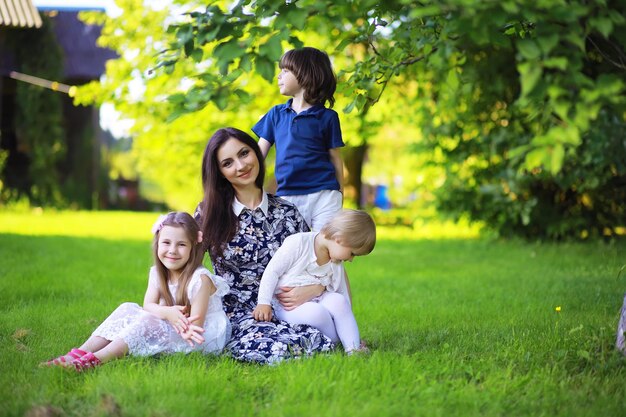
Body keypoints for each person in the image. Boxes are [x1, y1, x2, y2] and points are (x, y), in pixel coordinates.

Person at [194, 127, 337, 364]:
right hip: (239, 312)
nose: (241, 166)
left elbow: (319, 262)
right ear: (219, 172)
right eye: (228, 163)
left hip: (288, 306)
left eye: (244, 153)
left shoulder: (287, 211)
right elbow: (187, 267)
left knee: (315, 339)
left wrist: (316, 289)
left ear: (256, 153)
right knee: (278, 348)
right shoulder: (209, 213)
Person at [41, 212, 230, 371]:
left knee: (148, 320)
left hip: (200, 335)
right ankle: (78, 353)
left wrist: (165, 317)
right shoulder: (157, 273)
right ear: (158, 244)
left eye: (181, 245)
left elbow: (195, 325)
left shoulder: (200, 279)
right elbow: (148, 305)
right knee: (127, 308)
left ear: (193, 247)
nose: (172, 250)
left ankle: (93, 360)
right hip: (177, 324)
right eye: (166, 243)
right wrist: (167, 313)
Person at [252, 209, 376, 354]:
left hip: (318, 298)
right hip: (287, 306)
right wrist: (264, 302)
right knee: (316, 313)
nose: (351, 259)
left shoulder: (335, 260)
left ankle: (353, 347)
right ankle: (338, 343)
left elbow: (342, 291)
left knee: (339, 301)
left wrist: (345, 318)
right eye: (352, 253)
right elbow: (272, 271)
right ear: (339, 239)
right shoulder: (299, 243)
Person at [252, 46, 344, 231]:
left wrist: (340, 192)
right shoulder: (276, 114)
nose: (279, 76)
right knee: (292, 249)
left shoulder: (328, 117)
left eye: (285, 71)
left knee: (326, 247)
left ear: (305, 75)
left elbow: (335, 157)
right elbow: (257, 155)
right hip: (288, 196)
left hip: (324, 194)